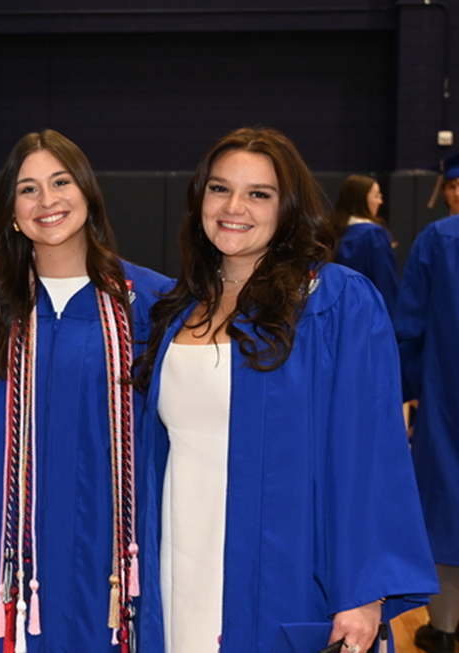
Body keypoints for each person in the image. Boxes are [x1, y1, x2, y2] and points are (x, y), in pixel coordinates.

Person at [132, 127, 436, 653]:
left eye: (259, 194)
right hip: (181, 557)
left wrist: (364, 594)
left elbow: (369, 453)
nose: (235, 207)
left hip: (287, 566)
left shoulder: (332, 302)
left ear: (288, 207)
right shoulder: (177, 310)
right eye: (219, 188)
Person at [0, 130, 171, 653]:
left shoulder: (150, 303)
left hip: (110, 544)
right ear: (11, 209)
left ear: (88, 191)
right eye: (28, 189)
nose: (47, 201)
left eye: (61, 182)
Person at [395, 152, 459, 653]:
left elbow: (409, 331)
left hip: (446, 400)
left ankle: (443, 626)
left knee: (444, 512)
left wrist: (411, 394)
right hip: (441, 397)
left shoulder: (439, 241)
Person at [330, 174, 398, 317]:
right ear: (361, 199)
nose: (380, 201)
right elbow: (384, 283)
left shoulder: (331, 232)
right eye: (376, 195)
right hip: (367, 314)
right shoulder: (373, 234)